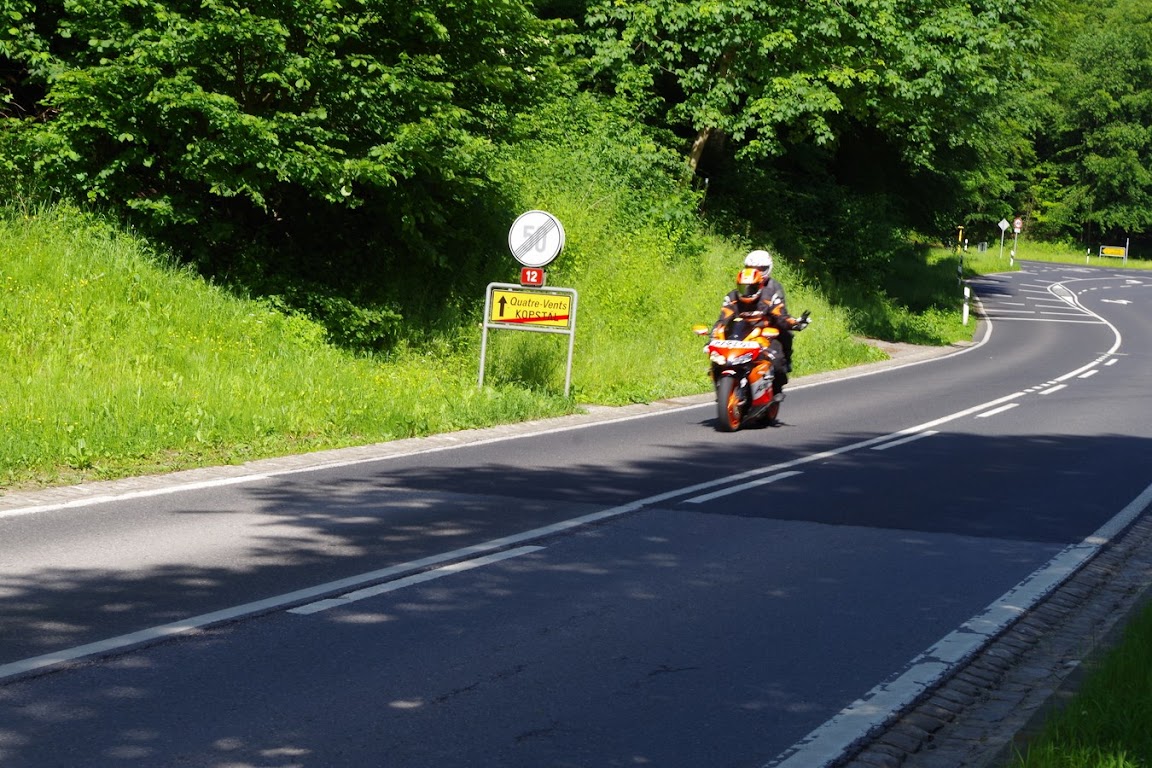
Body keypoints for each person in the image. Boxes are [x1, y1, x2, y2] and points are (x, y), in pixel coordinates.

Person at [742, 249, 799, 373]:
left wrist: (791, 322)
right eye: (750, 268)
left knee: (785, 334)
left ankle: (785, 365)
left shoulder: (774, 287)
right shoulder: (743, 285)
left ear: (768, 268)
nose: (756, 272)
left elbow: (780, 313)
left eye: (761, 268)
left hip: (769, 326)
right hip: (745, 328)